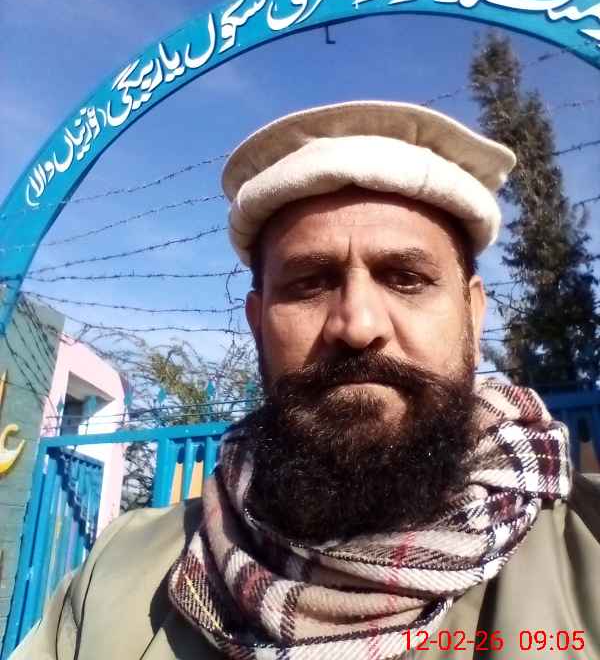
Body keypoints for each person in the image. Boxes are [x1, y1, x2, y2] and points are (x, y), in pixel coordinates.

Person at [11, 101, 600, 660]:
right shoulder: (119, 575)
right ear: (257, 323)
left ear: (473, 312)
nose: (357, 325)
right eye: (309, 283)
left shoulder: (587, 546)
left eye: (406, 277)